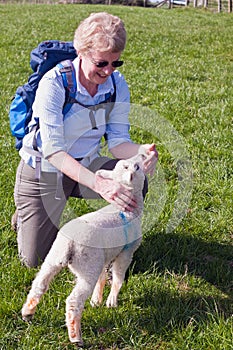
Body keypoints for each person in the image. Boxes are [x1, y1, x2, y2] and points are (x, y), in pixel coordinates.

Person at [13, 12, 158, 268]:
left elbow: (117, 142)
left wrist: (140, 152)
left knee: (135, 180)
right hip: (44, 170)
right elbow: (54, 152)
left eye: (116, 63)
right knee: (34, 260)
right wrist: (101, 185)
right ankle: (25, 216)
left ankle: (116, 241)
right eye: (102, 63)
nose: (108, 71)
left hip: (88, 163)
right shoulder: (55, 84)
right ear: (81, 52)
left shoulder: (115, 84)